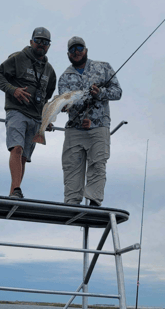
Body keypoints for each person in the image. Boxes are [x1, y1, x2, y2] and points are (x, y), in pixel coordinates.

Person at [58, 36, 122, 206]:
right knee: (72, 168)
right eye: (72, 50)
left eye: (79, 48)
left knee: (98, 164)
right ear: (68, 54)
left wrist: (99, 92)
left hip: (99, 126)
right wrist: (65, 107)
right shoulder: (64, 77)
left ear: (86, 50)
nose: (76, 52)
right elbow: (65, 103)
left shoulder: (103, 67)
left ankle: (94, 202)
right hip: (74, 129)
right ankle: (71, 204)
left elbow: (117, 92)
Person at [0, 27, 56, 198]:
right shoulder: (18, 58)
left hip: (35, 117)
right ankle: (15, 190)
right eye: (38, 41)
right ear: (31, 42)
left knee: (24, 156)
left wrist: (46, 118)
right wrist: (13, 90)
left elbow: (46, 97)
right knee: (17, 148)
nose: (41, 45)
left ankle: (15, 190)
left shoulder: (50, 70)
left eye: (45, 42)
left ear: (49, 46)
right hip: (17, 111)